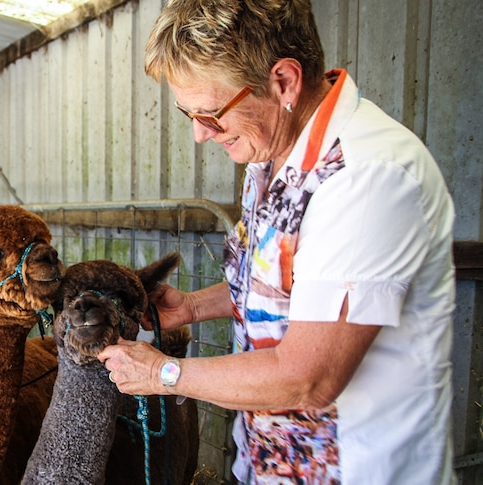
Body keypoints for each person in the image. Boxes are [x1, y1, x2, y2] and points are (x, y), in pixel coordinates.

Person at [96, 0, 457, 483]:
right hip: (270, 461)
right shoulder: (272, 155)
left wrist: (163, 374)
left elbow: (308, 378)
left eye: (211, 114)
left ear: (283, 82)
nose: (201, 135)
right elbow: (289, 283)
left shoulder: (365, 179)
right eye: (188, 114)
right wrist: (193, 307)